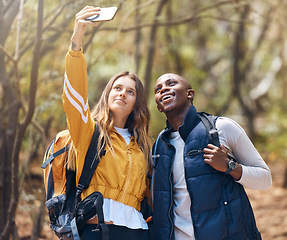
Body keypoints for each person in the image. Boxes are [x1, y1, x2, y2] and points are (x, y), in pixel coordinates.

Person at [63, 6, 151, 239]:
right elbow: (75, 99)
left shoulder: (142, 145)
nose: (122, 94)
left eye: (130, 92)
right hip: (98, 229)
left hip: (139, 231)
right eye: (117, 88)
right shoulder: (89, 132)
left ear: (136, 102)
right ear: (108, 94)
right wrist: (76, 43)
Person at [151, 73, 272, 240]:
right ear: (158, 105)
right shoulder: (160, 145)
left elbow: (265, 180)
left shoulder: (222, 128)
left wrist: (230, 167)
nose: (164, 88)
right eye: (158, 89)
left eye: (171, 83)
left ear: (190, 94)